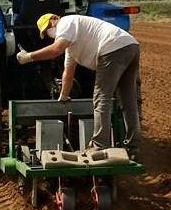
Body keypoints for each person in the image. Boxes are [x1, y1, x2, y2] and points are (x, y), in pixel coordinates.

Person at [15, 13, 141, 157]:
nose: (49, 33)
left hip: (112, 48)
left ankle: (99, 146)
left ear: (54, 19)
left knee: (101, 98)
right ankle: (133, 147)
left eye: (48, 28)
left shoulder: (66, 22)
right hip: (130, 46)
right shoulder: (72, 48)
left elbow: (56, 50)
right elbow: (68, 74)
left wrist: (29, 57)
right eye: (45, 32)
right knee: (128, 101)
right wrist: (63, 97)